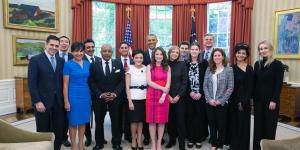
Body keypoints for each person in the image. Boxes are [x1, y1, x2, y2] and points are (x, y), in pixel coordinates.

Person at [28, 35, 65, 150]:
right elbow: (32, 83)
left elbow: (61, 81)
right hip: (42, 102)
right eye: (52, 45)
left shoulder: (61, 60)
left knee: (58, 128)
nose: (54, 47)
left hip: (58, 101)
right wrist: (37, 101)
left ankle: (57, 148)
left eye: (56, 46)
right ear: (46, 45)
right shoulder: (35, 60)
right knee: (43, 129)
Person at [89, 44, 124, 150]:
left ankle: (116, 143)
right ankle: (99, 143)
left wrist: (115, 93)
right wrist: (100, 94)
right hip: (99, 99)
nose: (107, 53)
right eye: (104, 51)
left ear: (112, 52)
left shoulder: (118, 63)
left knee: (116, 121)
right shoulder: (94, 65)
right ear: (101, 52)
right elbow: (92, 82)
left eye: (109, 51)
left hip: (115, 98)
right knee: (99, 122)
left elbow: (122, 81)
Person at [253, 40, 284, 150]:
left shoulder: (277, 64)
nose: (263, 51)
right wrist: (253, 98)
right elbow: (255, 83)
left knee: (269, 128)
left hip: (271, 102)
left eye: (265, 48)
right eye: (261, 49)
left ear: (270, 49)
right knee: (258, 128)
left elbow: (278, 84)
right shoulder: (257, 64)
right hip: (258, 102)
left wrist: (274, 100)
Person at [203, 48, 234, 150]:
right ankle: (213, 144)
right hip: (209, 102)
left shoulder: (228, 69)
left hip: (222, 103)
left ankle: (220, 145)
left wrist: (221, 101)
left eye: (219, 55)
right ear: (212, 57)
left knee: (221, 125)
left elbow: (230, 87)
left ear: (223, 57)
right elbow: (205, 86)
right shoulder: (209, 69)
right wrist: (209, 99)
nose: (217, 57)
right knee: (212, 124)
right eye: (215, 55)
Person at [63, 42, 91, 150]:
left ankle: (81, 143)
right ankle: (74, 144)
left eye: (81, 51)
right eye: (76, 51)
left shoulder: (87, 64)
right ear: (72, 52)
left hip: (86, 95)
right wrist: (66, 101)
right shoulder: (68, 64)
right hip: (73, 96)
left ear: (84, 52)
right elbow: (65, 84)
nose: (78, 53)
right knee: (74, 122)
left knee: (83, 121)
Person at [228, 43, 253, 150]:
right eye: (239, 53)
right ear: (235, 54)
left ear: (246, 55)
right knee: (233, 124)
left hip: (245, 101)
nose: (241, 55)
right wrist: (237, 101)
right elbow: (230, 86)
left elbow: (251, 87)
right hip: (233, 100)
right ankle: (233, 146)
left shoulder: (250, 68)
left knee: (243, 125)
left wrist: (243, 101)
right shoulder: (231, 68)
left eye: (243, 53)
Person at [146, 47, 171, 150]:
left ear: (163, 56)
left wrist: (164, 95)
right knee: (152, 121)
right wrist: (162, 88)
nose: (159, 56)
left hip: (163, 97)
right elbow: (149, 82)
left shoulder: (167, 67)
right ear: (154, 56)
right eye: (157, 54)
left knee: (161, 121)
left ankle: (159, 143)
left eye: (161, 54)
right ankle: (153, 143)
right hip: (151, 96)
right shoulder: (149, 66)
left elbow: (168, 83)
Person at [186, 43, 209, 149]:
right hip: (188, 95)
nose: (194, 51)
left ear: (200, 51)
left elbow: (207, 80)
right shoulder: (185, 63)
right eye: (192, 49)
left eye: (196, 49)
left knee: (200, 117)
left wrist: (200, 92)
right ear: (190, 51)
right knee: (190, 116)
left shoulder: (204, 63)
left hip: (201, 95)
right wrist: (190, 92)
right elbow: (184, 80)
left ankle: (199, 139)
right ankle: (191, 139)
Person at [165, 46, 187, 150]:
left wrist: (178, 96)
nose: (174, 53)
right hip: (167, 96)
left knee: (180, 121)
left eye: (176, 52)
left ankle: (181, 143)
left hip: (180, 97)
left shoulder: (182, 64)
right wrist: (168, 96)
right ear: (169, 53)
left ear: (179, 54)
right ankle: (172, 140)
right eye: (172, 52)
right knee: (170, 120)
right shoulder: (165, 64)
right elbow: (163, 81)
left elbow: (184, 82)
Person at [125, 49, 147, 150]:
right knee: (134, 121)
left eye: (141, 57)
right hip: (133, 98)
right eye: (136, 57)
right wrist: (130, 101)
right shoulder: (129, 69)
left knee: (141, 120)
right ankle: (134, 139)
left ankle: (140, 140)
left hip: (144, 97)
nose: (139, 59)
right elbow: (127, 86)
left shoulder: (147, 68)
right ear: (133, 58)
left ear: (143, 59)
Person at [82, 38, 102, 147]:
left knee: (99, 117)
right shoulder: (81, 59)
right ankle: (88, 138)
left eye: (92, 47)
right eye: (88, 47)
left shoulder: (99, 59)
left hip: (98, 94)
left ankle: (100, 137)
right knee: (86, 117)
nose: (91, 49)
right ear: (84, 49)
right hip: (86, 93)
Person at [57, 35, 73, 148]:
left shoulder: (73, 56)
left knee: (67, 116)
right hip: (56, 91)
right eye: (61, 41)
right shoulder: (53, 55)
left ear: (68, 44)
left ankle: (64, 137)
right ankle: (56, 137)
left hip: (70, 90)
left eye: (66, 42)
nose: (64, 43)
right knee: (58, 116)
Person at [117, 42, 133, 143]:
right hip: (118, 93)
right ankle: (118, 136)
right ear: (119, 50)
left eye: (126, 48)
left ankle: (128, 135)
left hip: (131, 92)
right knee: (118, 115)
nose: (124, 49)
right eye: (122, 48)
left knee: (129, 115)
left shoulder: (134, 61)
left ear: (128, 49)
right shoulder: (115, 61)